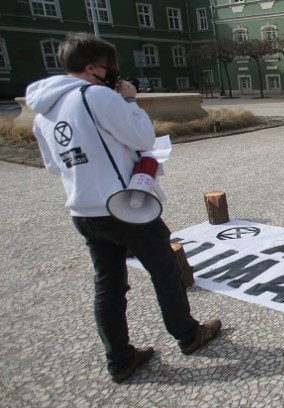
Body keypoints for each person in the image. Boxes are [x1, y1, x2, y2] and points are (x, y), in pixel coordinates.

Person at [25, 33, 221, 384]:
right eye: (109, 66)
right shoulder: (96, 95)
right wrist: (130, 101)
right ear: (91, 67)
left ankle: (119, 358)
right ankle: (189, 335)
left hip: (83, 212)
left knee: (109, 284)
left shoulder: (43, 111)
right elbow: (143, 137)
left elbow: (55, 167)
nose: (114, 73)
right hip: (124, 206)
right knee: (165, 270)